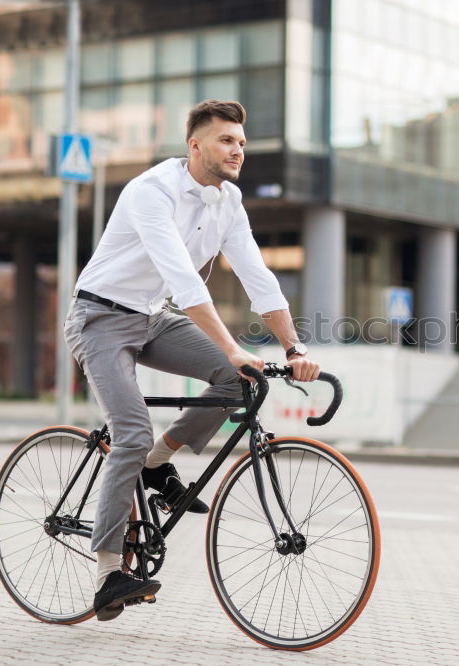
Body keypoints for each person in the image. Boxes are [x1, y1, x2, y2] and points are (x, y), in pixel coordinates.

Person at [63, 99, 319, 622]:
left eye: (242, 143)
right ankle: (108, 571)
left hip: (153, 318)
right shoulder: (151, 192)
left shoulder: (229, 202)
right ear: (195, 145)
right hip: (100, 318)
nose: (238, 151)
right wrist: (231, 343)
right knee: (129, 431)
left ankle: (158, 462)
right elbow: (182, 277)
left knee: (236, 379)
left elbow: (257, 277)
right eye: (227, 140)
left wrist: (293, 348)